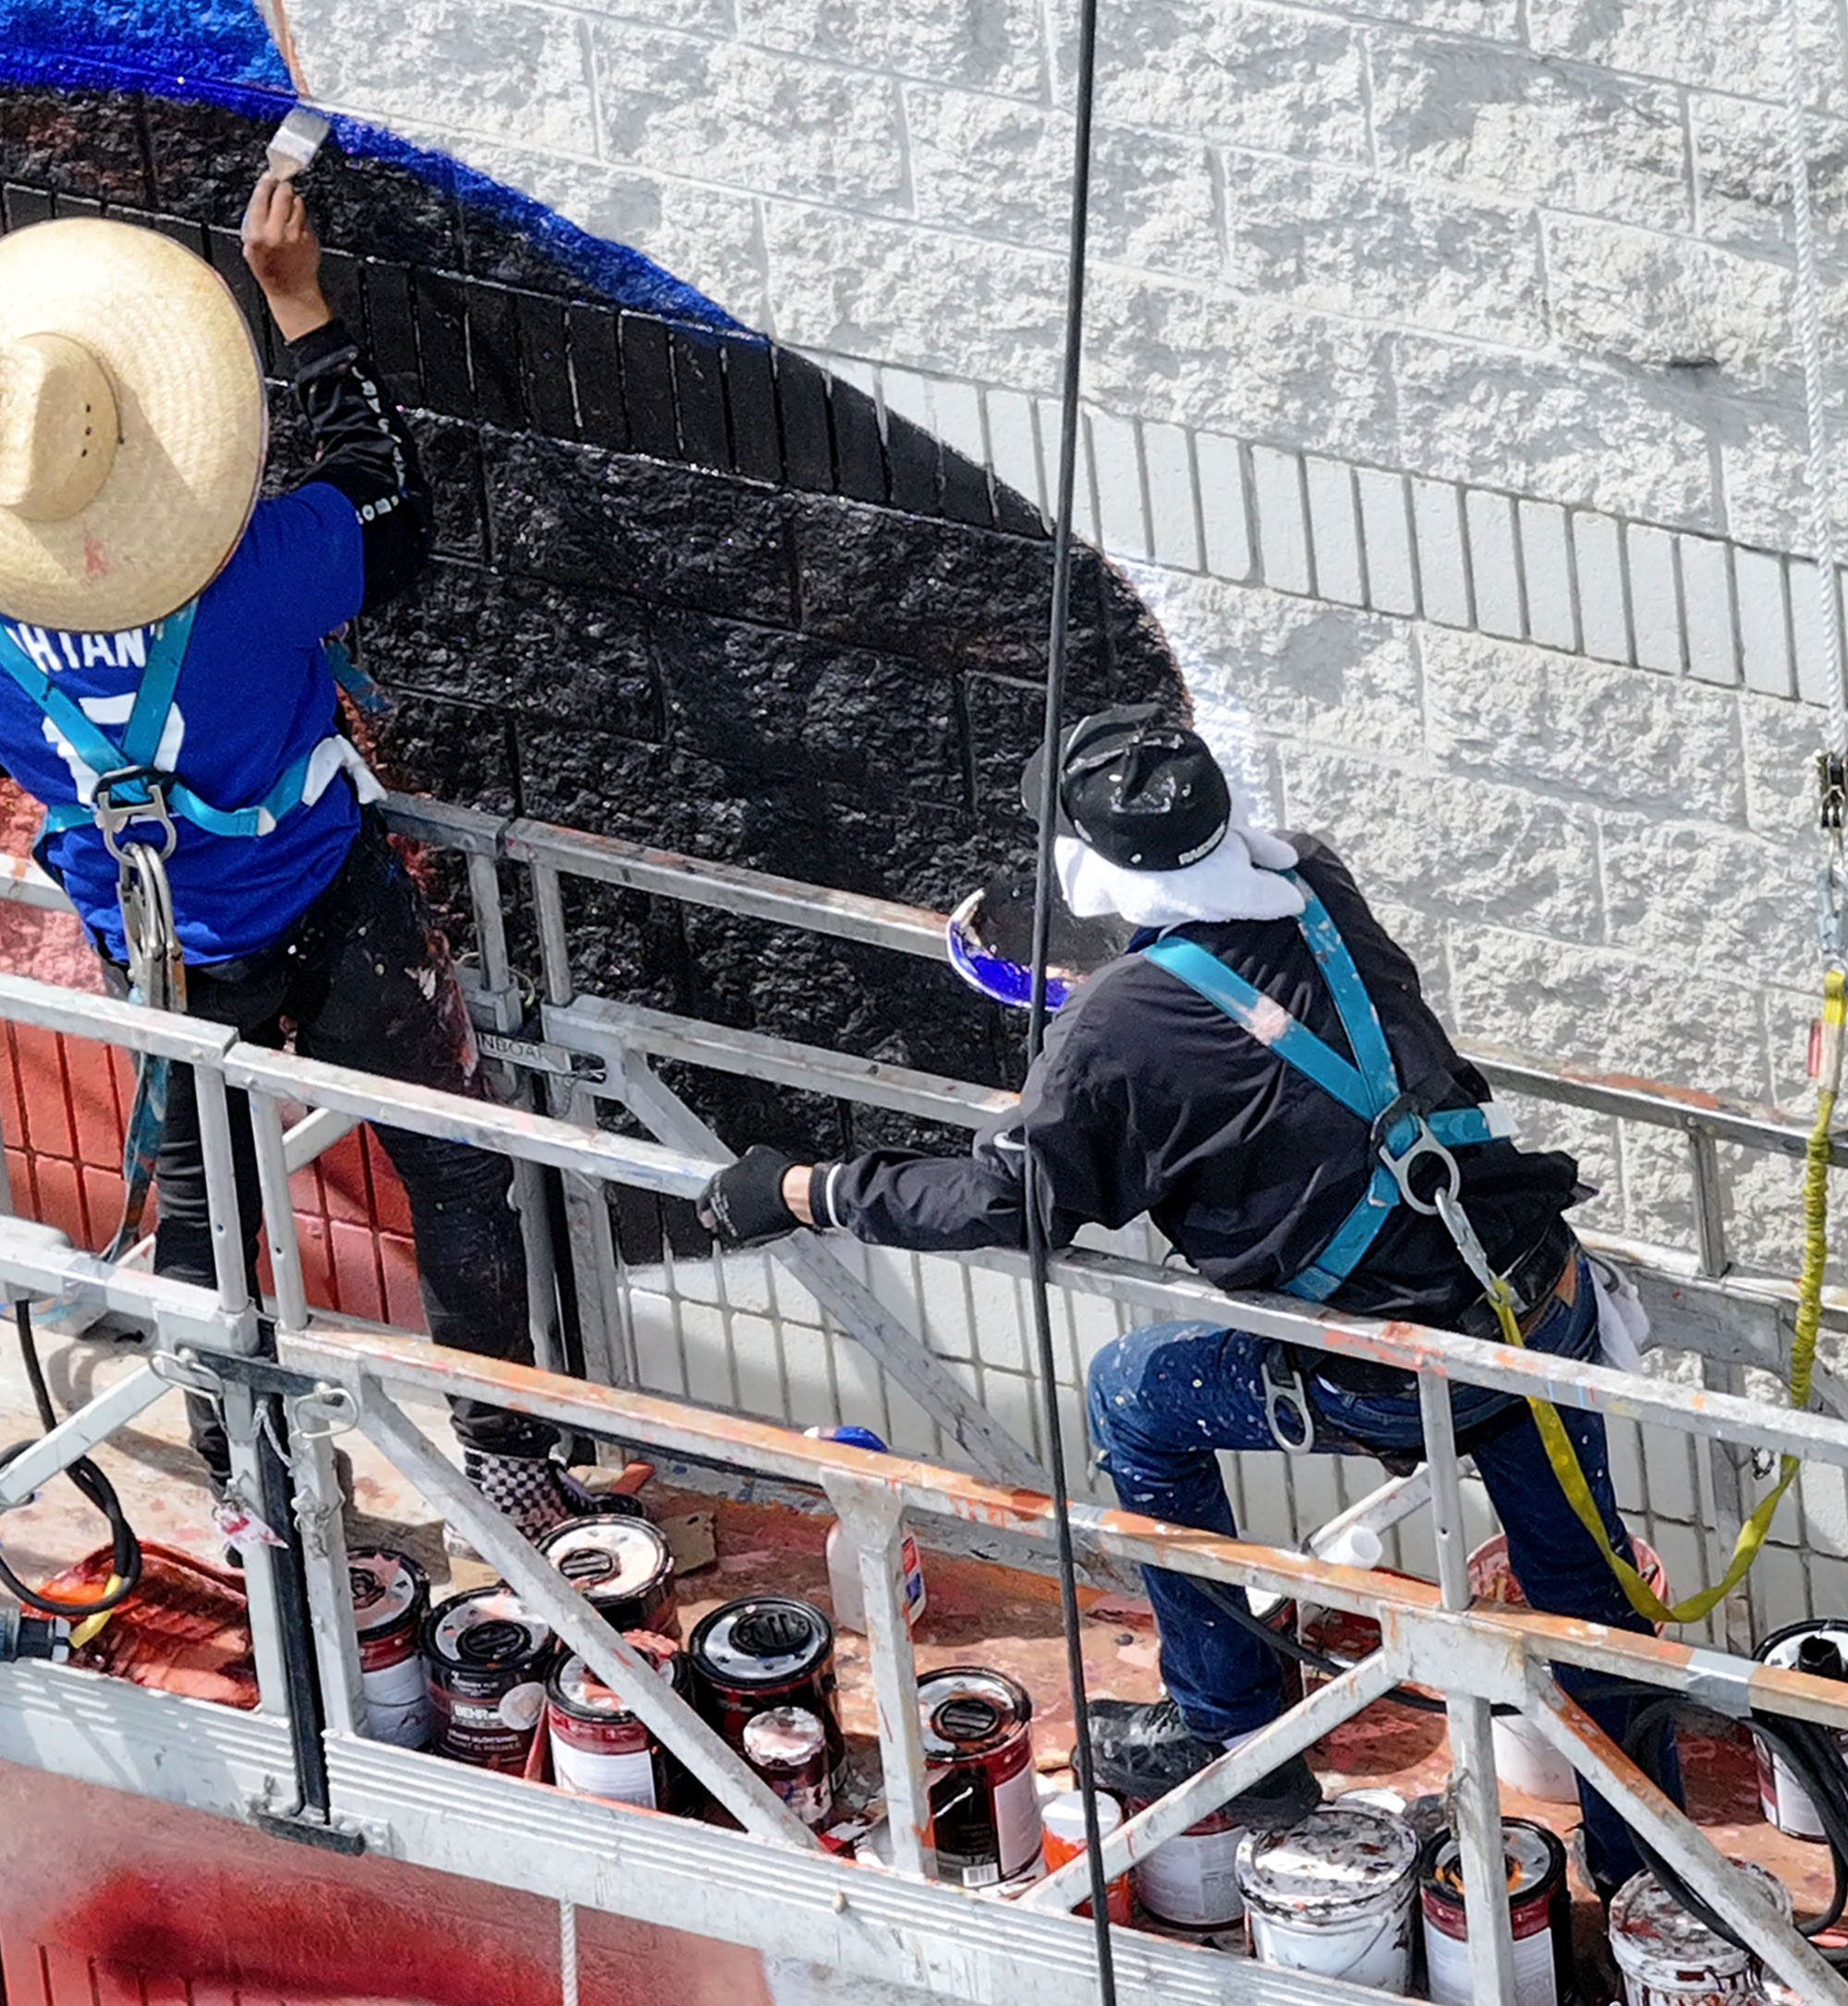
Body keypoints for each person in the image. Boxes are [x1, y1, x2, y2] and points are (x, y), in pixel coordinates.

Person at [694, 704, 1682, 1884]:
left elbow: (1002, 1201)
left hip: (1392, 1362)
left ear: (1083, 862)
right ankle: (1657, 1884)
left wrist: (803, 1187)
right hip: (1533, 1297)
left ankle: (1233, 1723)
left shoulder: (1118, 1022)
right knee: (1587, 1607)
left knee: (1133, 1395)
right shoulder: (1315, 879)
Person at [0, 171, 638, 1535]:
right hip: (328, 900)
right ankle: (514, 1469)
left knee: (206, 1214)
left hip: (161, 942)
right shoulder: (246, 571)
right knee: (455, 1169)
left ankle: (249, 1479)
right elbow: (389, 505)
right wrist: (299, 303)